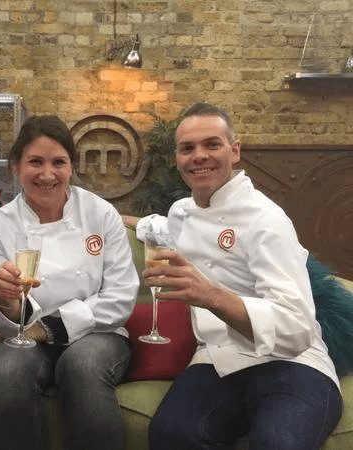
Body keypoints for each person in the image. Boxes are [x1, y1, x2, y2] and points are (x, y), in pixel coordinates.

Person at [129, 102, 342, 449]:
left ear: (235, 151)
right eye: (187, 148)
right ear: (177, 159)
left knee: (277, 443)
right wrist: (124, 220)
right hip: (216, 358)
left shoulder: (267, 220)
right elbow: (168, 227)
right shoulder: (182, 213)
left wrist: (211, 296)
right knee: (170, 435)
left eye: (211, 144)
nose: (199, 156)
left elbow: (298, 328)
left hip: (293, 363)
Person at [0, 115, 139, 450]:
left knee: (82, 364)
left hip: (97, 334)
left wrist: (45, 328)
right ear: (15, 167)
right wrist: (6, 303)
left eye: (58, 162)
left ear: (71, 167)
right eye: (35, 161)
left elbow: (120, 298)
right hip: (22, 338)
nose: (47, 174)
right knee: (9, 369)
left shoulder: (101, 214)